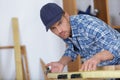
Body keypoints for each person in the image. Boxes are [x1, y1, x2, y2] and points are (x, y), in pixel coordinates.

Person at [40, 3, 120, 73]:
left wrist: (97, 57)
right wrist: (61, 63)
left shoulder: (88, 26)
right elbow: (73, 49)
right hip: (109, 70)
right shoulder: (66, 31)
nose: (59, 30)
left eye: (60, 23)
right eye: (53, 28)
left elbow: (117, 45)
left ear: (66, 16)